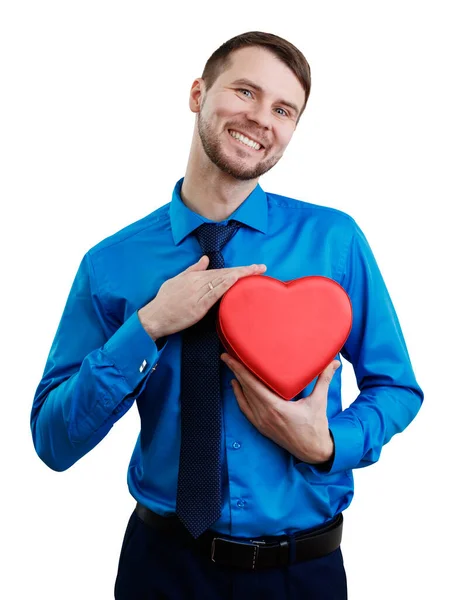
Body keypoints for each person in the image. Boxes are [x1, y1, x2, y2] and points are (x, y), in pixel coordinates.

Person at [30, 31, 424, 599]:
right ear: (198, 93)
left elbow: (398, 388)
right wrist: (148, 327)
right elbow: (53, 440)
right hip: (161, 570)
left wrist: (330, 443)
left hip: (301, 575)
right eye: (245, 91)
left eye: (284, 109)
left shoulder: (334, 241)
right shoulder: (112, 263)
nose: (262, 117)